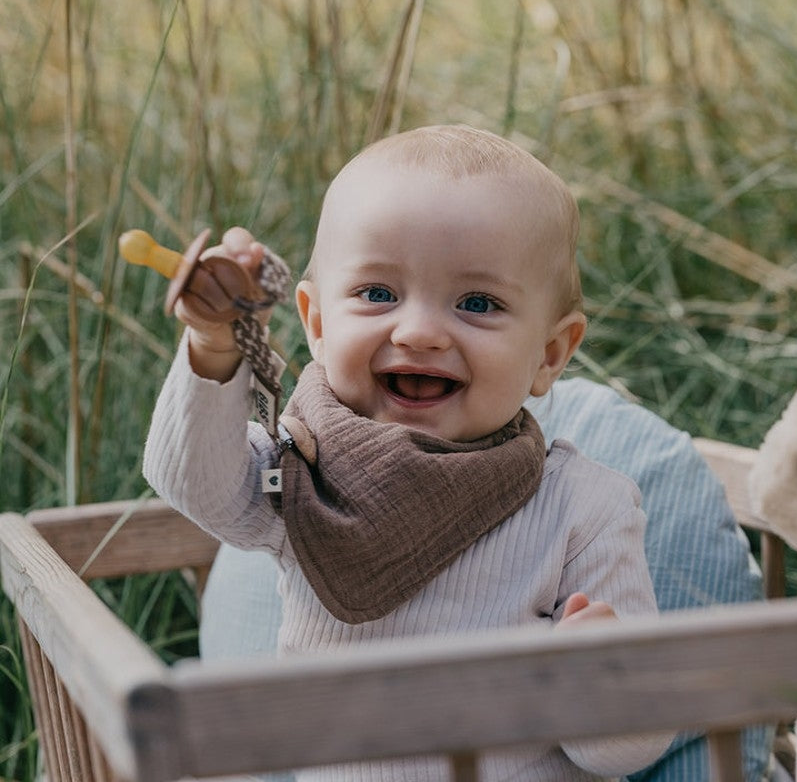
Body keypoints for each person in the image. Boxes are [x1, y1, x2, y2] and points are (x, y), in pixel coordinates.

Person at [143, 124, 673, 780]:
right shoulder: (305, 469)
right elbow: (192, 482)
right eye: (377, 294)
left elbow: (624, 753)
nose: (419, 331)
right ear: (315, 323)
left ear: (550, 353)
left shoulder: (583, 507)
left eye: (477, 303)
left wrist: (605, 684)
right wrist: (212, 344)